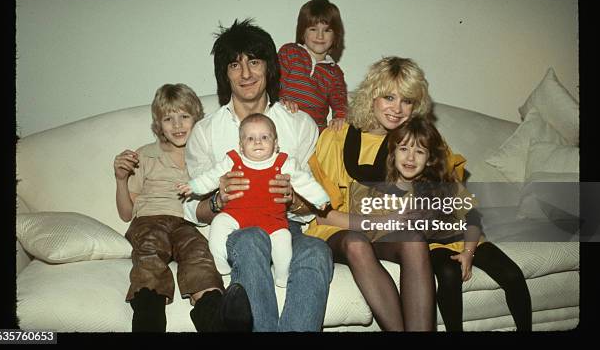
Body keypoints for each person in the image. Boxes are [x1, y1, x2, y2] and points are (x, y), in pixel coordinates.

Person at [183, 19, 333, 332]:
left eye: (254, 61)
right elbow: (189, 208)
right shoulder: (205, 131)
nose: (246, 74)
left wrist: (295, 200)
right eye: (234, 65)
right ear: (224, 74)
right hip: (236, 227)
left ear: (268, 68)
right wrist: (217, 200)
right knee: (251, 239)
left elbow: (312, 205)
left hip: (284, 225)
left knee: (317, 251)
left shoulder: (300, 124)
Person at [306, 56, 466, 331]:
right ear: (372, 97)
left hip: (387, 233)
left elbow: (450, 197)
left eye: (407, 101)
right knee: (356, 242)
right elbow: (322, 214)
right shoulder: (337, 135)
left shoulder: (420, 142)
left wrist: (463, 246)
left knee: (414, 240)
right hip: (340, 231)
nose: (397, 109)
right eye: (389, 97)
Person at [113, 83, 252, 332]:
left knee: (200, 255)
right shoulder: (144, 155)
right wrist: (120, 179)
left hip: (186, 223)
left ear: (196, 119)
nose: (177, 125)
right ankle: (148, 320)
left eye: (184, 117)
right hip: (149, 220)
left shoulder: (204, 158)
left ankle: (216, 321)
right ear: (159, 123)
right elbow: (126, 214)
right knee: (150, 255)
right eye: (169, 118)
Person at [383, 116, 532, 331]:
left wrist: (468, 253)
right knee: (449, 274)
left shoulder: (446, 183)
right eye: (404, 148)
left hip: (467, 239)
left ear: (430, 158)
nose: (410, 157)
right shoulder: (387, 190)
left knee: (512, 274)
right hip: (433, 246)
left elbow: (472, 217)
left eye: (420, 151)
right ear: (393, 152)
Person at [177, 113, 330, 287]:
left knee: (284, 241)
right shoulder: (233, 160)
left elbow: (305, 182)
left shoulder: (284, 162)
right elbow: (211, 177)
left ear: (276, 144)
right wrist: (193, 186)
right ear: (241, 146)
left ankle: (281, 276)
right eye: (250, 138)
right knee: (219, 224)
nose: (257, 142)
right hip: (236, 216)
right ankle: (220, 262)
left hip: (273, 221)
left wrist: (320, 198)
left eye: (264, 137)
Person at [278, 0, 348, 133]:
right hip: (285, 120)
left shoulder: (334, 72)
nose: (320, 36)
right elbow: (273, 81)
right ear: (302, 32)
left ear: (335, 35)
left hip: (314, 131)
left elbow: (339, 101)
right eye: (313, 29)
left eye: (327, 30)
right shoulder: (290, 52)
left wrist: (339, 117)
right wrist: (281, 101)